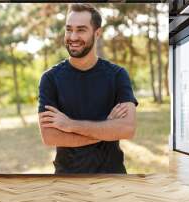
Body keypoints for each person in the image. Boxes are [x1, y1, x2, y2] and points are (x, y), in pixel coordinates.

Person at [38, 3, 138, 174]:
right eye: (69, 29)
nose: (73, 36)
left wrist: (69, 125)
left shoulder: (117, 75)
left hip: (112, 177)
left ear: (97, 33)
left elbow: (127, 129)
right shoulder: (50, 78)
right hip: (67, 178)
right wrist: (107, 128)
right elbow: (50, 137)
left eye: (81, 30)